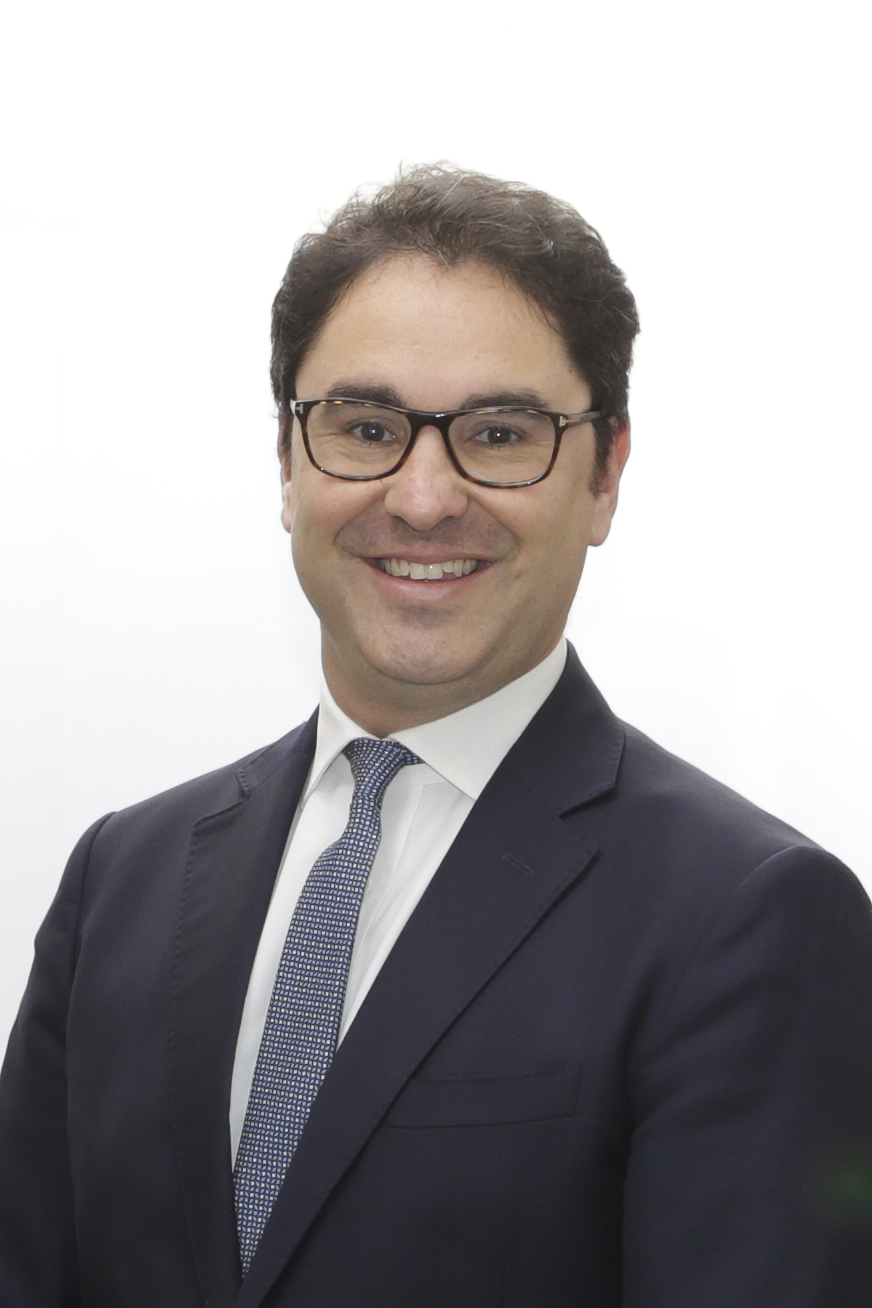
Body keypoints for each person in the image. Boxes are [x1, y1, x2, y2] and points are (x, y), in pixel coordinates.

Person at [1, 164, 870, 1308]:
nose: (421, 498)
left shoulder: (750, 917)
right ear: (286, 463)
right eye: (365, 428)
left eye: (499, 434)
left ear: (604, 477)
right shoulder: (122, 879)